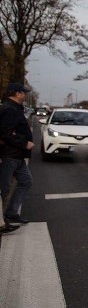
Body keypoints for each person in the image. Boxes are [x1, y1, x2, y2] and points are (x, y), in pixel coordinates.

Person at [0, 82, 35, 226]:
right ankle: (2, 220)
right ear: (17, 93)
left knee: (26, 181)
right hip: (10, 155)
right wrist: (24, 143)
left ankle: (11, 213)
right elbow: (5, 133)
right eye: (23, 92)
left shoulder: (15, 108)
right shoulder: (9, 109)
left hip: (18, 156)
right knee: (4, 188)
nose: (24, 94)